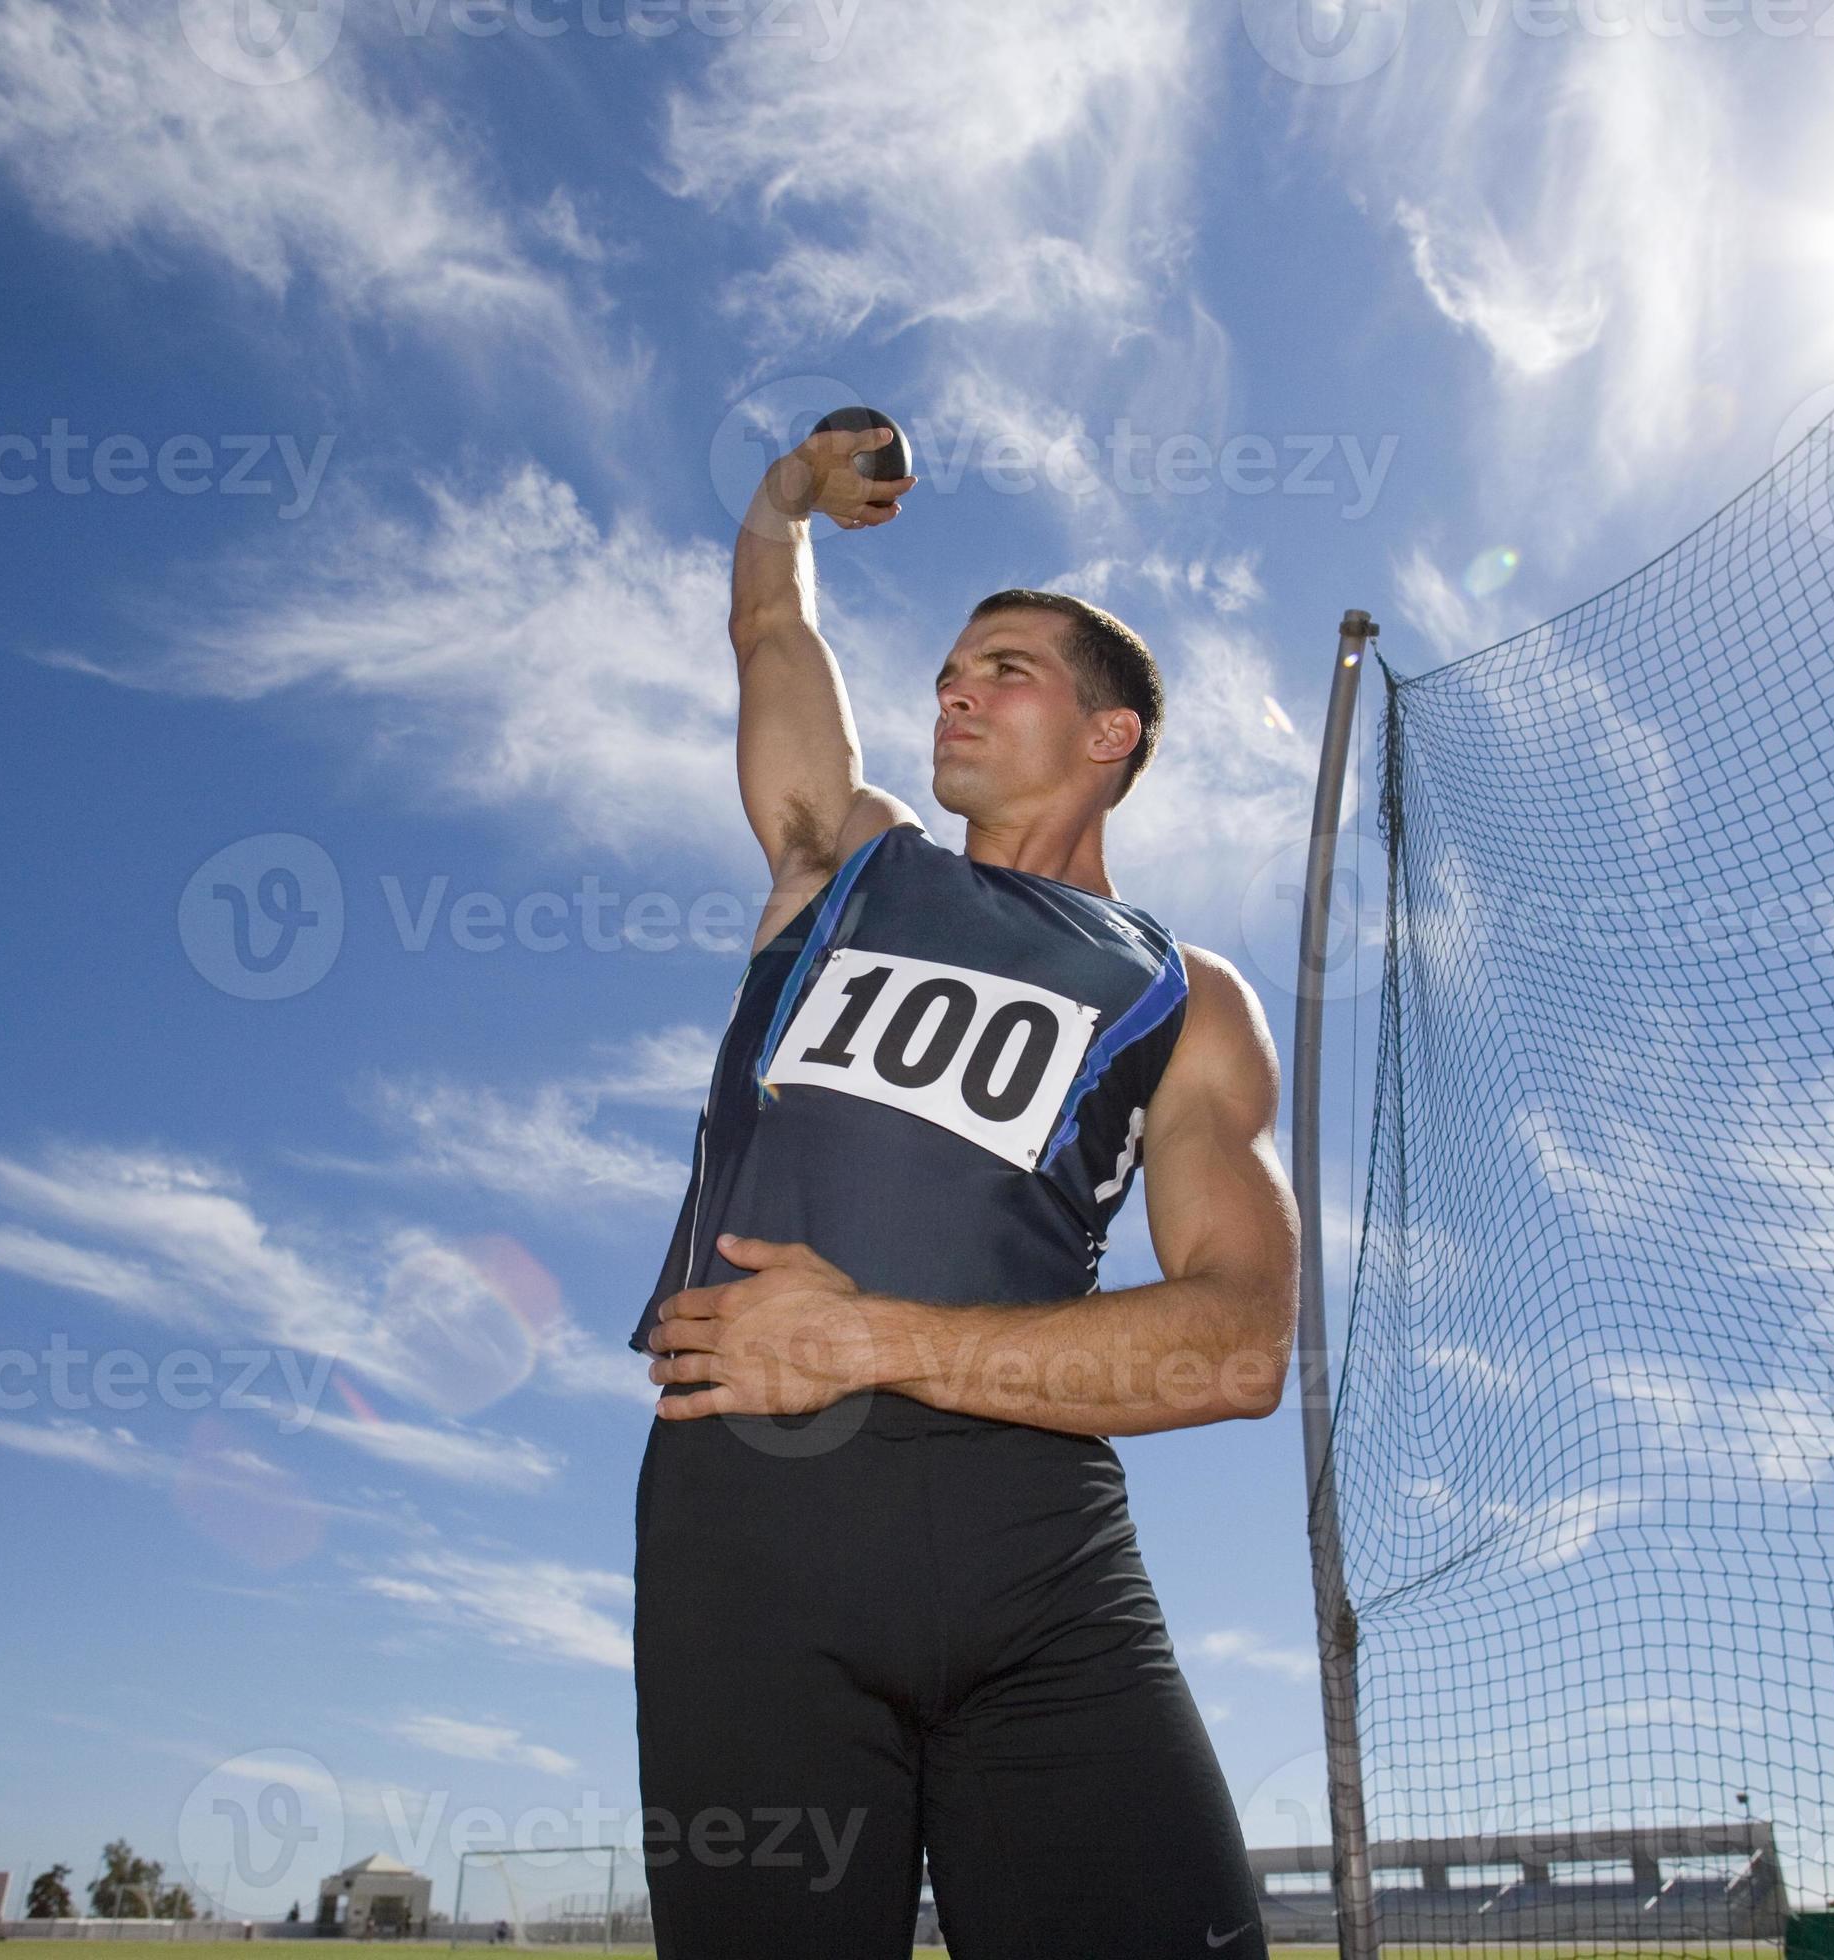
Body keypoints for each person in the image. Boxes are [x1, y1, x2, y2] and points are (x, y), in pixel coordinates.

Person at [628, 417, 1298, 1956]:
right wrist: (787, 493)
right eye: (948, 666)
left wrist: (878, 1340)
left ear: (1110, 734)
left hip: (1033, 1541)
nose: (956, 686)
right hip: (754, 1513)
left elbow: (1240, 1340)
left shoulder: (1185, 994)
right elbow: (770, 625)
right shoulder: (845, 860)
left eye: (1007, 669)